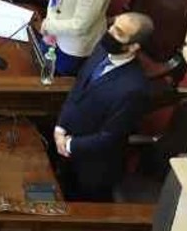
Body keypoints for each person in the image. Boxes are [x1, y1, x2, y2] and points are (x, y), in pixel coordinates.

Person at [53, 13, 152, 201]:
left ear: (133, 47)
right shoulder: (102, 50)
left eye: (119, 33)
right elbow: (79, 87)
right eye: (112, 26)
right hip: (66, 144)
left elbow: (110, 137)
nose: (110, 33)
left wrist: (69, 145)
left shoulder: (134, 89)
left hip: (92, 168)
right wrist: (60, 126)